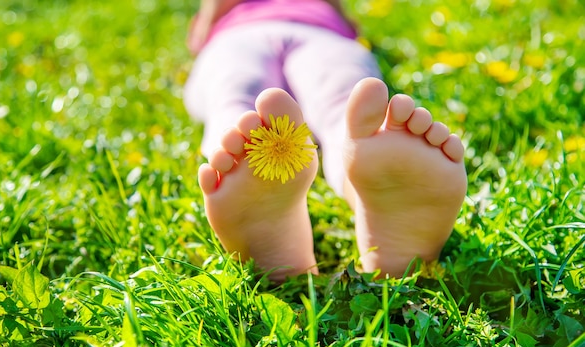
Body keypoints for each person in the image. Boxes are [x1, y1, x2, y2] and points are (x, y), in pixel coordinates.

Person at [183, 0, 468, 283]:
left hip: (237, 36)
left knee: (234, 102)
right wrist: (344, 19)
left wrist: (205, 26)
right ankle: (372, 180)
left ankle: (242, 163)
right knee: (341, 106)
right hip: (323, 32)